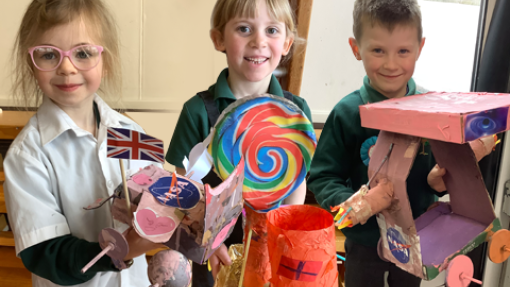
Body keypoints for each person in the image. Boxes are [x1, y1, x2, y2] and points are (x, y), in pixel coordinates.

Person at [4, 1, 162, 286]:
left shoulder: (131, 132)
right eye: (49, 55)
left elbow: (162, 194)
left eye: (83, 53)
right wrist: (121, 250)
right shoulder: (27, 155)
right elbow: (45, 253)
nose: (66, 67)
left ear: (105, 59)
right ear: (31, 63)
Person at [165, 0, 312, 285]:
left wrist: (286, 233)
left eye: (271, 30)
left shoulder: (295, 112)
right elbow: (181, 187)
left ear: (287, 43)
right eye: (244, 29)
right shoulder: (197, 111)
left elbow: (297, 181)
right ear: (218, 39)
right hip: (212, 247)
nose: (258, 41)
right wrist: (207, 239)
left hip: (273, 245)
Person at [307, 0, 446, 286]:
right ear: (356, 49)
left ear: (420, 48)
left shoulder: (433, 110)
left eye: (403, 51)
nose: (391, 64)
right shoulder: (347, 113)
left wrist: (443, 181)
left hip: (415, 241)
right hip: (365, 246)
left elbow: (440, 172)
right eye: (378, 50)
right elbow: (323, 177)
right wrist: (356, 204)